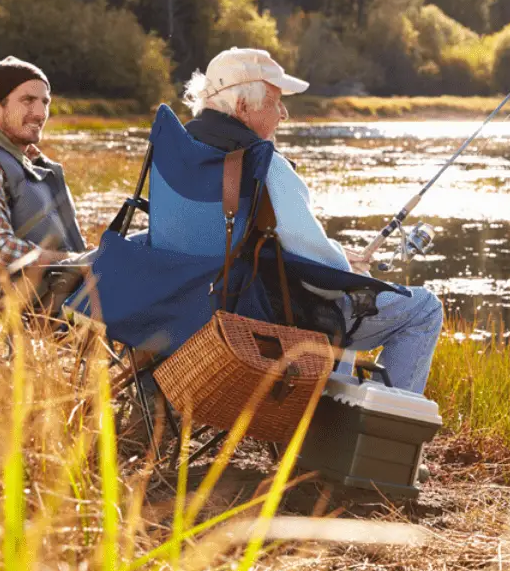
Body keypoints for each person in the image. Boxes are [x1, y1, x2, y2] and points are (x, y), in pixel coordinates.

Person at [182, 47, 444, 394]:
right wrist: (350, 271)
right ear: (243, 107)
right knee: (424, 309)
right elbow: (320, 272)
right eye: (275, 102)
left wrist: (333, 255)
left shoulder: (181, 152)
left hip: (191, 305)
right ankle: (382, 436)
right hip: (263, 315)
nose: (284, 114)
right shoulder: (266, 166)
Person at [0, 56, 91, 294]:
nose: (40, 113)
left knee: (145, 249)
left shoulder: (33, 163)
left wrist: (87, 258)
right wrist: (75, 261)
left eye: (45, 102)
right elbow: (0, 250)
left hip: (67, 289)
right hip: (23, 303)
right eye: (27, 100)